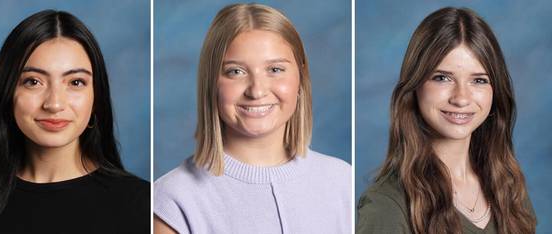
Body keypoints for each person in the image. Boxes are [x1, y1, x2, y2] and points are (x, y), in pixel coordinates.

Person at [154, 3, 351, 233]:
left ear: (301, 76)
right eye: (235, 71)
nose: (256, 91)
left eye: (275, 69)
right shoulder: (173, 202)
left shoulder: (341, 181)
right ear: (211, 83)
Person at [0, 10, 149, 233]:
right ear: (7, 92)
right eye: (33, 81)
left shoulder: (140, 205)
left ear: (96, 97)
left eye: (75, 82)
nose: (54, 104)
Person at [356, 7, 536, 234]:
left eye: (478, 80)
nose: (461, 98)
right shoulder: (387, 206)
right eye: (442, 78)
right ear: (415, 86)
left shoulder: (509, 188)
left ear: (495, 91)